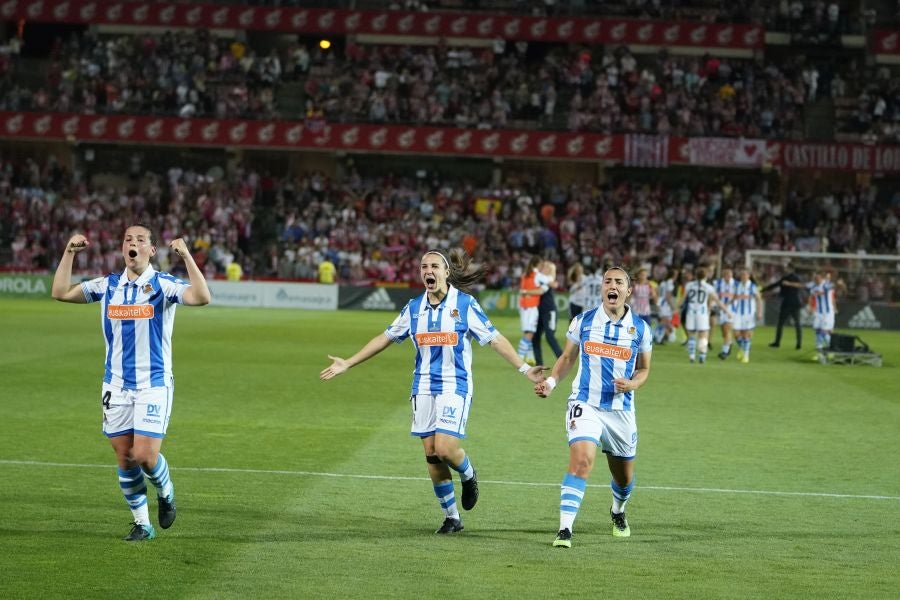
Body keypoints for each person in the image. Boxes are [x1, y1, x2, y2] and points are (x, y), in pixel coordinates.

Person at [320, 249, 545, 534]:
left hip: (455, 385)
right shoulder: (414, 308)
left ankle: (468, 474)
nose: (429, 270)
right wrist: (348, 363)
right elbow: (384, 338)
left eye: (435, 266)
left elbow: (495, 339)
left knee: (445, 448)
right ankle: (451, 517)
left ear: (446, 272)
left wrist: (525, 369)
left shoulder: (464, 304)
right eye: (424, 266)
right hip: (423, 386)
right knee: (431, 454)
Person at [51, 224, 211, 542]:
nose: (132, 243)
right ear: (123, 250)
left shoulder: (163, 285)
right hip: (116, 384)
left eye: (140, 240)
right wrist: (68, 251)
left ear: (152, 251)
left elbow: (202, 297)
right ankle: (142, 524)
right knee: (124, 455)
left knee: (145, 456)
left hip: (153, 383)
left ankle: (165, 491)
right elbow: (60, 292)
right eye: (127, 240)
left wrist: (186, 254)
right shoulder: (107, 286)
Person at [534, 267, 653, 548]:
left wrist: (634, 384)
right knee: (582, 460)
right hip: (585, 403)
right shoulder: (583, 321)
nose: (612, 286)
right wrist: (551, 382)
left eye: (618, 282)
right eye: (607, 281)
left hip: (621, 410)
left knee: (624, 479)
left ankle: (617, 511)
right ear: (602, 288)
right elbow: (566, 357)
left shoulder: (641, 329)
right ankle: (565, 529)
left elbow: (645, 369)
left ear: (628, 291)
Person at [678, 266, 732, 364]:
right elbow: (717, 301)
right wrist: (727, 311)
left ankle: (692, 356)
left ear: (696, 276)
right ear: (706, 276)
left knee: (691, 335)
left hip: (691, 313)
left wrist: (676, 309)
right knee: (703, 335)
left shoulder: (689, 285)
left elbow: (683, 299)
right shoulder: (708, 287)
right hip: (702, 314)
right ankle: (702, 356)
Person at [517, 256, 552, 365]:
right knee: (530, 333)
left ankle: (530, 357)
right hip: (531, 307)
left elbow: (523, 290)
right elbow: (550, 280)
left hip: (524, 306)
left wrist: (527, 292)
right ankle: (519, 358)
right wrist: (545, 287)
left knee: (527, 331)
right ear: (539, 264)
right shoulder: (537, 275)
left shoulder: (525, 274)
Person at [762, 262, 804, 349]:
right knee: (782, 323)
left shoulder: (795, 277)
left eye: (787, 268)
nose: (785, 269)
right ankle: (777, 342)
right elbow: (775, 285)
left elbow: (800, 285)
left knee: (796, 323)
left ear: (791, 269)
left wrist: (788, 284)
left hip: (793, 303)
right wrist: (763, 290)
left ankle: (798, 344)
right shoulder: (785, 278)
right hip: (788, 303)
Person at [533, 259, 563, 366]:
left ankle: (561, 358)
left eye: (545, 267)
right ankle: (539, 364)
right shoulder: (542, 279)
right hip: (540, 312)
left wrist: (526, 292)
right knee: (535, 337)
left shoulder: (548, 279)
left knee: (549, 336)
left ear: (549, 270)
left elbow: (545, 288)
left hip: (549, 311)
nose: (542, 268)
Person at [731, 267, 763, 363]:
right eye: (741, 274)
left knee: (746, 335)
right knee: (736, 334)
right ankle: (742, 347)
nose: (742, 276)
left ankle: (746, 356)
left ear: (748, 276)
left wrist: (759, 312)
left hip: (748, 314)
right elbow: (734, 298)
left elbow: (759, 299)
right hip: (737, 313)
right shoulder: (737, 285)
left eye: (744, 274)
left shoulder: (753, 287)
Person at [807, 271, 837, 357]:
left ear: (822, 278)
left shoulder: (826, 285)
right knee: (817, 331)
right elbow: (811, 296)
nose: (816, 279)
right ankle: (819, 352)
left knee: (825, 332)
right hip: (818, 312)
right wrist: (810, 307)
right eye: (815, 278)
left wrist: (821, 292)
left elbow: (831, 287)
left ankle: (831, 350)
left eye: (818, 278)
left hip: (827, 313)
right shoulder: (813, 286)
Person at [714, 267, 738, 359]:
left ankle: (724, 352)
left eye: (729, 274)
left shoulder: (736, 284)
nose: (728, 276)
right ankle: (729, 345)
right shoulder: (718, 283)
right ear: (723, 275)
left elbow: (737, 296)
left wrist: (728, 304)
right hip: (721, 311)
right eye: (726, 274)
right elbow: (714, 295)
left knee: (728, 329)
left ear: (732, 275)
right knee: (724, 333)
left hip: (732, 310)